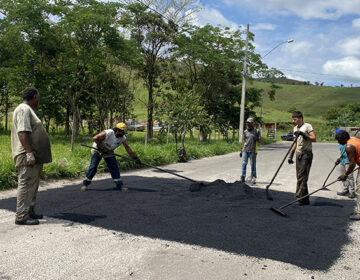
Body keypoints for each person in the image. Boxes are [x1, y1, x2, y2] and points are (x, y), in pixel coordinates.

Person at [11, 87, 52, 225]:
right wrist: (29, 153)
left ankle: (29, 211)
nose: (38, 100)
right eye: (38, 97)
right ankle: (21, 216)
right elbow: (22, 133)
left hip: (34, 155)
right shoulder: (24, 109)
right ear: (34, 96)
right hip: (26, 155)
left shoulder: (28, 110)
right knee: (26, 183)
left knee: (32, 185)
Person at [81, 123, 141, 191]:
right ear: (117, 131)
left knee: (114, 167)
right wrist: (102, 147)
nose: (123, 133)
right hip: (97, 150)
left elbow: (127, 147)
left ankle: (119, 185)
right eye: (122, 132)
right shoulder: (109, 132)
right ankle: (85, 184)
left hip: (108, 151)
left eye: (124, 132)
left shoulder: (123, 138)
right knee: (93, 167)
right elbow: (95, 138)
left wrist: (135, 157)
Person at [287, 111, 316, 205]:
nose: (293, 121)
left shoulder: (307, 126)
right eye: (293, 119)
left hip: (306, 154)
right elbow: (295, 142)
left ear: (300, 118)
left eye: (295, 119)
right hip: (298, 154)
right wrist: (290, 155)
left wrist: (304, 134)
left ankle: (299, 196)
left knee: (302, 176)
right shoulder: (295, 128)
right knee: (300, 176)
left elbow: (314, 139)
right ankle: (305, 199)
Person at [335, 130, 360, 221]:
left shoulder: (349, 146)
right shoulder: (353, 139)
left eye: (339, 140)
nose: (339, 142)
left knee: (359, 191)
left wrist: (345, 174)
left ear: (344, 139)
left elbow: (352, 164)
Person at [335, 129, 355, 198]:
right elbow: (342, 152)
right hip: (342, 160)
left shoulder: (348, 142)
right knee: (342, 176)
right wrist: (339, 159)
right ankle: (345, 189)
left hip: (349, 161)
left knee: (349, 176)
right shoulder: (339, 142)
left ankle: (352, 191)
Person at [240, 117, 261, 184]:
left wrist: (256, 138)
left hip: (253, 151)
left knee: (253, 165)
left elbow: (260, 141)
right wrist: (241, 150)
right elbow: (244, 142)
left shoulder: (257, 131)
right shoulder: (245, 132)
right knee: (244, 163)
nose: (248, 124)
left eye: (250, 123)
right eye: (247, 123)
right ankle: (242, 177)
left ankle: (253, 177)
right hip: (245, 150)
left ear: (253, 124)